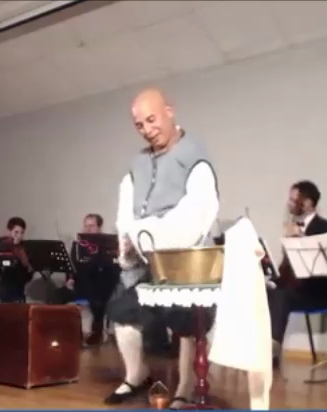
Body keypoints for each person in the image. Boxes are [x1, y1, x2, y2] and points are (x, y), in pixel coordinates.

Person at [105, 88, 220, 408]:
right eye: (139, 125)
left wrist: (150, 234)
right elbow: (125, 212)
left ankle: (185, 386)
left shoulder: (195, 154)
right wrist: (129, 240)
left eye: (151, 119)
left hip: (186, 259)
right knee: (122, 309)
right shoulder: (137, 164)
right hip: (145, 256)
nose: (146, 129)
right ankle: (136, 374)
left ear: (170, 111)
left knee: (186, 319)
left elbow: (197, 213)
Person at [266, 180, 327, 367]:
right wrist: (269, 273)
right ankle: (249, 348)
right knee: (260, 290)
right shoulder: (292, 226)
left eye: (293, 200)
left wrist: (301, 239)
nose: (289, 204)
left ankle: (271, 354)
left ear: (307, 203)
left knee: (281, 296)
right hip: (294, 288)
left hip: (315, 293)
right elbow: (288, 270)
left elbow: (323, 267)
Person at [70, 213, 120, 346]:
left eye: (91, 226)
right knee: (59, 295)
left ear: (99, 227)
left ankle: (97, 331)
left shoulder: (108, 244)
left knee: (98, 299)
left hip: (103, 281)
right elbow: (73, 265)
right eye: (86, 226)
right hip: (83, 281)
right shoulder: (78, 244)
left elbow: (114, 267)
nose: (87, 229)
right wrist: (70, 279)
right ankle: (74, 334)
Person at [0, 217, 34, 303]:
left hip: (19, 290)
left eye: (22, 233)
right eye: (16, 232)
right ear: (9, 231)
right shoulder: (1, 246)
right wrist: (13, 247)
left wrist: (25, 262)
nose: (19, 236)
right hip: (4, 289)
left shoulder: (24, 248)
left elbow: (29, 272)